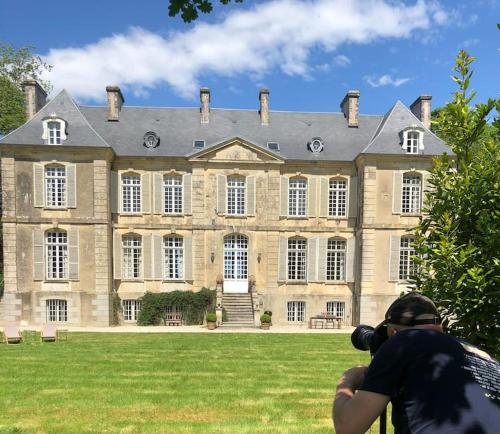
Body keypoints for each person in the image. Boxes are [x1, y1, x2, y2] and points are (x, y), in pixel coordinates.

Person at [333, 292, 500, 434]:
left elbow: (348, 427)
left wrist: (347, 381)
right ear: (439, 327)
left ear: (394, 332)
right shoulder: (482, 355)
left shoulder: (403, 341)